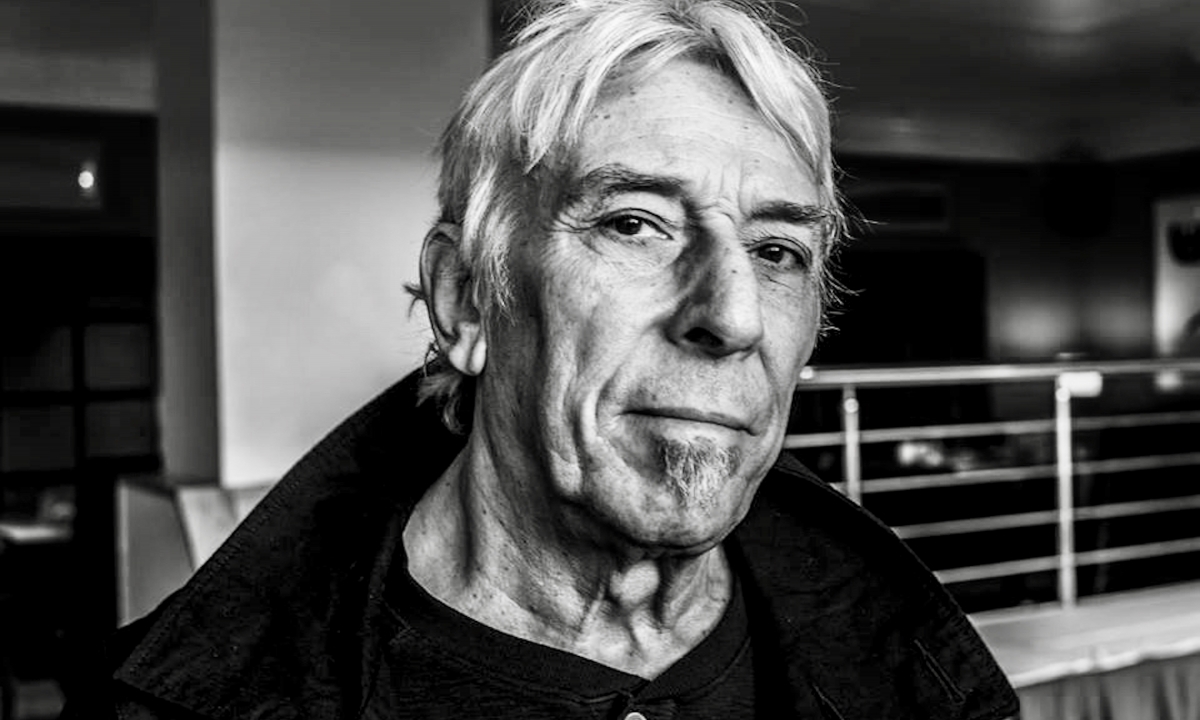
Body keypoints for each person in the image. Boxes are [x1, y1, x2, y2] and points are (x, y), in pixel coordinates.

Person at [67, 0, 1019, 717]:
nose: (732, 316)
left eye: (777, 251)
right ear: (466, 298)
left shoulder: (921, 675)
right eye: (634, 223)